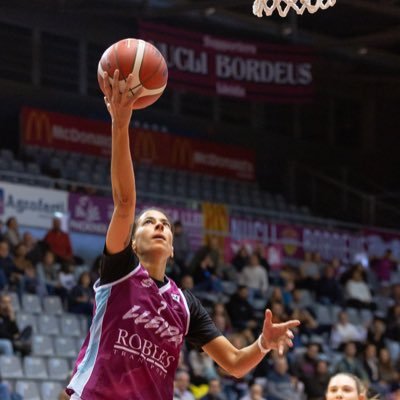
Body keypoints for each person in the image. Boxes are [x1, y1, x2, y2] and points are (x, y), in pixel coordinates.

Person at [65, 70, 300, 400]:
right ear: (132, 242)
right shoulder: (120, 271)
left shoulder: (185, 305)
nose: (159, 226)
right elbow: (124, 202)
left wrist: (263, 343)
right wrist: (120, 124)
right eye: (149, 223)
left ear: (173, 249)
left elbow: (233, 362)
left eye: (165, 224)